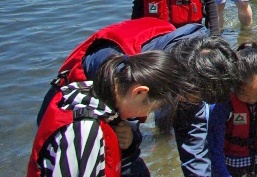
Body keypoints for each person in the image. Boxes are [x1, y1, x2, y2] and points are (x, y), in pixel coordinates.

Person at [34, 18, 241, 177]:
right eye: (194, 99)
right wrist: (123, 129)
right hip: (75, 115)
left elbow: (194, 146)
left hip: (121, 114)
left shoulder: (191, 68)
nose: (194, 104)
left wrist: (131, 138)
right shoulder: (116, 68)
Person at [29, 50, 184, 177]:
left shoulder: (90, 93)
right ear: (139, 92)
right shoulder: (86, 129)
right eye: (152, 109)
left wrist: (128, 146)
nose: (144, 116)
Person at [208, 42, 257, 177]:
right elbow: (214, 148)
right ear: (234, 86)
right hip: (229, 164)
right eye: (244, 95)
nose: (251, 100)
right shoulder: (223, 100)